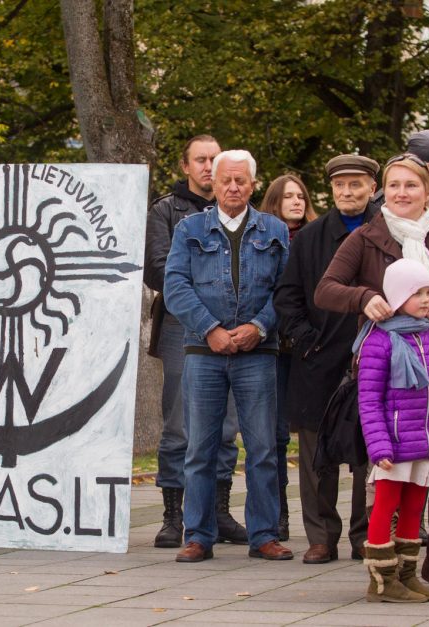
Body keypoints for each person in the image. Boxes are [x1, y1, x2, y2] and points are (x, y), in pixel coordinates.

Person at [314, 153, 429, 592]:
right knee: (390, 472)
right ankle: (386, 571)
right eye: (394, 185)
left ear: (426, 190)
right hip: (387, 368)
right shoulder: (366, 237)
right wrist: (363, 298)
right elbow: (326, 289)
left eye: (411, 186)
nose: (402, 193)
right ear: (385, 189)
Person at [164, 149, 292, 562]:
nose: (233, 187)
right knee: (199, 447)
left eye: (241, 181)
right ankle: (198, 535)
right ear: (213, 184)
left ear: (253, 185)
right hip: (203, 353)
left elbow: (286, 291)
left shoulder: (275, 229)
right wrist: (211, 329)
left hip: (259, 351)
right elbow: (175, 287)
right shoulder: (189, 229)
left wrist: (259, 327)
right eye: (226, 180)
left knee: (263, 448)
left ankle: (264, 536)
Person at [273, 156, 379, 564]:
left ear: (372, 187)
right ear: (331, 190)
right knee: (316, 452)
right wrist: (304, 338)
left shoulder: (386, 232)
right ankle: (321, 536)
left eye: (356, 185)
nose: (347, 193)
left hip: (374, 356)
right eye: (340, 186)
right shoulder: (312, 237)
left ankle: (365, 532)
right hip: (318, 356)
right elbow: (288, 295)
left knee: (369, 448)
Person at [144, 135, 246, 548]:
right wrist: (208, 300)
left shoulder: (241, 213)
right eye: (200, 160)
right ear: (185, 167)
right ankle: (173, 515)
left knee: (226, 424)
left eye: (214, 159)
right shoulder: (166, 210)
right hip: (180, 326)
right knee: (180, 424)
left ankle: (218, 512)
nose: (208, 166)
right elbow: (157, 270)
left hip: (235, 328)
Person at [357, 259, 429, 603]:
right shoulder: (380, 341)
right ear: (397, 296)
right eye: (417, 293)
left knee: (414, 507)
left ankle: (406, 574)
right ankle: (381, 580)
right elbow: (369, 400)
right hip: (394, 443)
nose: (426, 299)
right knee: (386, 506)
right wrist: (379, 447)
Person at [258, 173, 317, 541]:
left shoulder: (317, 237)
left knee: (314, 434)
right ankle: (277, 514)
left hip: (310, 348)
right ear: (274, 202)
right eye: (288, 197)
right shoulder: (263, 237)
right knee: (275, 435)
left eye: (301, 196)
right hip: (275, 349)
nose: (296, 202)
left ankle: (319, 515)